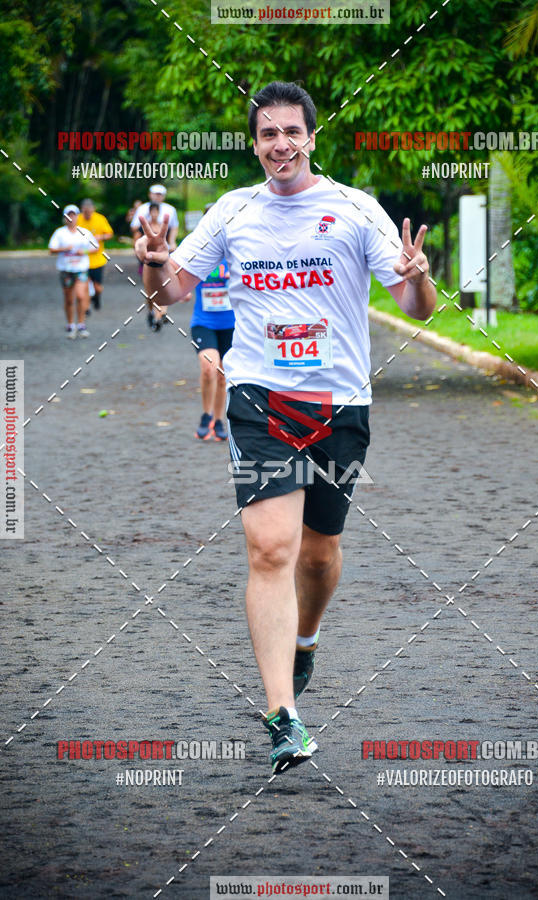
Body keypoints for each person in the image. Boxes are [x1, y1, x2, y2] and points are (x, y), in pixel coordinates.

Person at [135, 81, 436, 774]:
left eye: (291, 132)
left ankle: (306, 638)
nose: (280, 144)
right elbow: (172, 291)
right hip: (259, 399)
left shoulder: (356, 209)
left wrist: (420, 277)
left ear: (311, 136)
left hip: (339, 404)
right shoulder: (233, 211)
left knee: (319, 554)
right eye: (267, 134)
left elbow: (416, 307)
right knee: (271, 549)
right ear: (255, 144)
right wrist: (153, 264)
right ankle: (282, 716)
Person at [191, 204, 235, 442]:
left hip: (231, 324)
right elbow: (175, 280)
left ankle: (218, 420)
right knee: (210, 368)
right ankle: (205, 414)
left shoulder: (237, 250)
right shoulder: (197, 252)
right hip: (204, 322)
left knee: (222, 374)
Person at [49, 205, 94, 338]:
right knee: (69, 299)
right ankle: (70, 324)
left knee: (80, 296)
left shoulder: (84, 232)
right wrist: (64, 249)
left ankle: (81, 324)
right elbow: (51, 249)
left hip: (81, 269)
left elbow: (95, 247)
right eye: (68, 215)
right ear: (65, 217)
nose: (71, 218)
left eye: (74, 215)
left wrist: (83, 251)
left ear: (77, 216)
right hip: (66, 270)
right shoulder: (60, 233)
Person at [77, 199, 113, 311]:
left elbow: (109, 234)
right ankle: (86, 308)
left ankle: (96, 297)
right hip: (83, 259)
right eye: (85, 211)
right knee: (85, 286)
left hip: (98, 259)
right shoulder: (78, 220)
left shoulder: (100, 219)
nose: (87, 213)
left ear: (93, 209)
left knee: (98, 287)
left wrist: (100, 237)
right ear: (82, 209)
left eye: (89, 211)